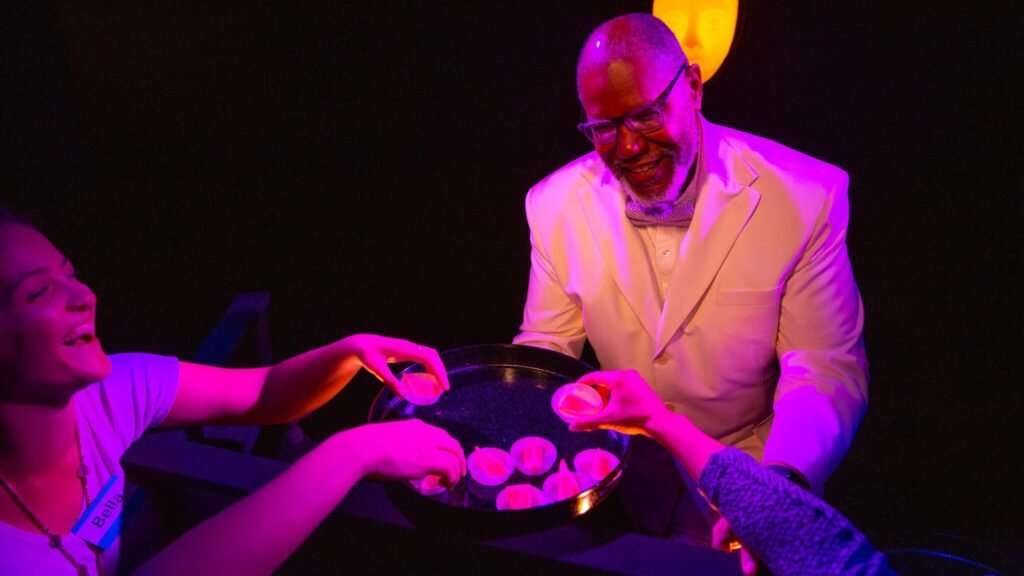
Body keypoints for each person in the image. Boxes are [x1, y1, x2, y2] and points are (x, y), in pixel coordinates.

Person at [514, 12, 868, 544]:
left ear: (694, 88)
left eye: (646, 116)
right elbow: (546, 352)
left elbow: (823, 370)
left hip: (750, 475)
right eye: (605, 128)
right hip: (625, 487)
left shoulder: (806, 197)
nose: (628, 147)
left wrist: (776, 490)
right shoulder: (551, 205)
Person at [0, 209, 466, 575]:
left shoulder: (107, 393)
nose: (85, 296)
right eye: (39, 293)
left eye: (71, 274)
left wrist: (349, 353)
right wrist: (353, 453)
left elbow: (263, 392)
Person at [568, 369, 894, 576]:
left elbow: (824, 373)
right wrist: (763, 505)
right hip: (649, 499)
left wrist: (767, 499)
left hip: (756, 462)